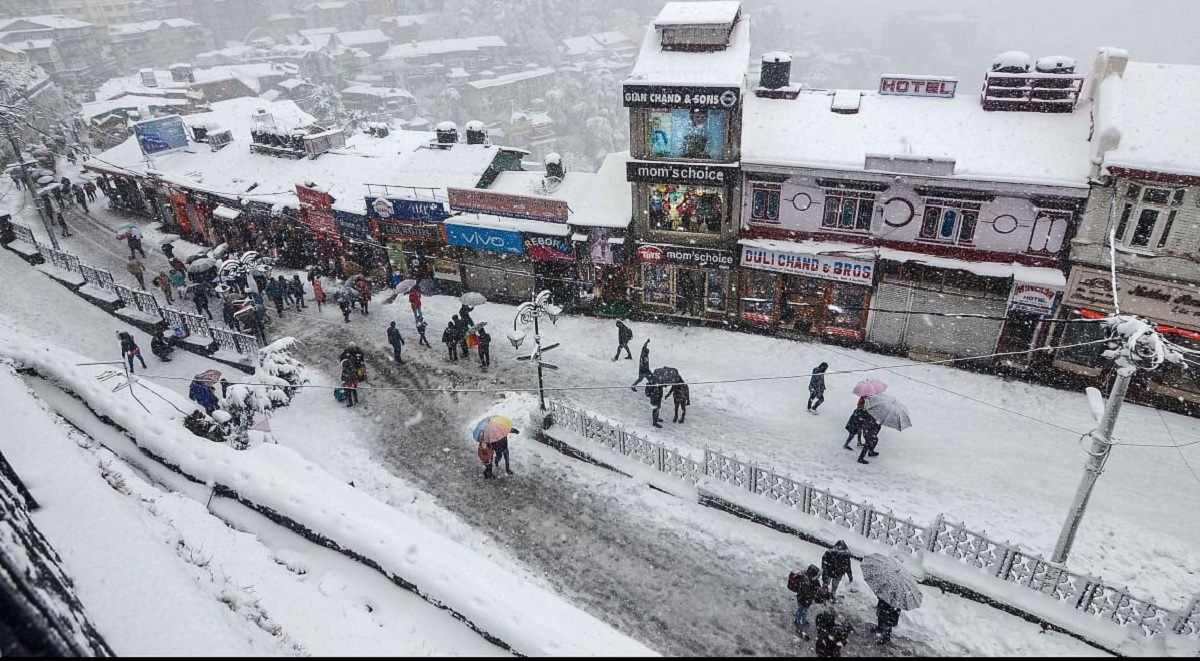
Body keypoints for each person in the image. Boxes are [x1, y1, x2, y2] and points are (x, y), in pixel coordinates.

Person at [789, 564, 826, 640]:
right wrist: (816, 593)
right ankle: (799, 628)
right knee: (802, 612)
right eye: (817, 576)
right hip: (804, 600)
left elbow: (813, 589)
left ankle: (797, 620)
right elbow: (809, 593)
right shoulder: (807, 582)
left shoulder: (807, 580)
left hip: (802, 599)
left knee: (801, 610)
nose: (818, 577)